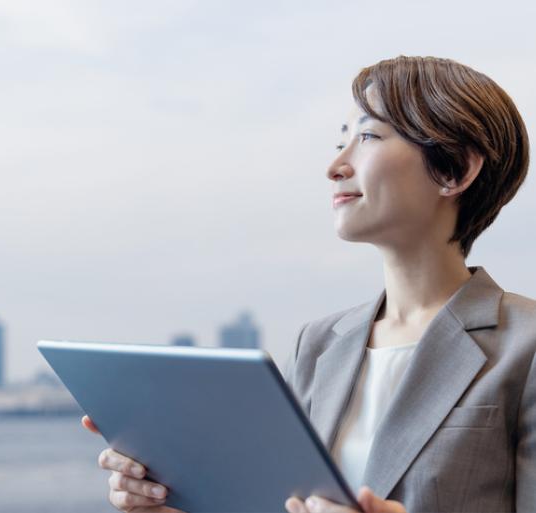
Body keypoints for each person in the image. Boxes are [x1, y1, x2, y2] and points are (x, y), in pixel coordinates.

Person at [82, 55, 535, 513]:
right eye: (342, 142)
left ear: (455, 169)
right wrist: (171, 503)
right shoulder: (317, 345)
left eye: (367, 136)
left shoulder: (525, 344)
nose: (335, 166)